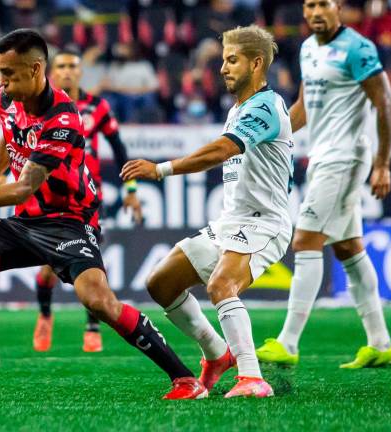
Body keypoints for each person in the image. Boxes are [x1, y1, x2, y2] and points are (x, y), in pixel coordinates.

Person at [0, 29, 207, 400]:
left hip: (69, 223)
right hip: (25, 224)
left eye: (9, 73)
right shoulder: (7, 99)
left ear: (37, 69)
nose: (1, 82)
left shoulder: (65, 120)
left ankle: (184, 379)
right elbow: (6, 142)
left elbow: (25, 187)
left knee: (99, 301)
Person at [122, 24, 293, 398]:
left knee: (220, 285)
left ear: (257, 63)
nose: (223, 68)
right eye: (223, 60)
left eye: (232, 60)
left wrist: (161, 169)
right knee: (161, 283)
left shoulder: (266, 106)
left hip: (265, 224)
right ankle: (216, 353)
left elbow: (220, 151)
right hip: (231, 222)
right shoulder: (240, 108)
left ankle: (252, 378)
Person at [256, 0, 391, 369]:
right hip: (322, 155)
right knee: (349, 248)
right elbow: (304, 105)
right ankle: (381, 344)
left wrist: (382, 164)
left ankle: (288, 342)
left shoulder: (358, 48)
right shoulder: (307, 48)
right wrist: (273, 134)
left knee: (305, 239)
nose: (314, 11)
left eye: (323, 4)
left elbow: (385, 104)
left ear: (338, 7)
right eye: (308, 5)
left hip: (345, 156)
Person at [31, 49, 143, 353]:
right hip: (50, 197)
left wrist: (131, 190)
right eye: (62, 66)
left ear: (81, 72)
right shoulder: (41, 106)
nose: (67, 71)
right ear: (52, 72)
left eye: (73, 66)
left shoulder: (97, 106)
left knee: (90, 263)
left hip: (87, 198)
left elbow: (119, 149)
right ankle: (44, 315)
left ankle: (92, 327)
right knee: (46, 267)